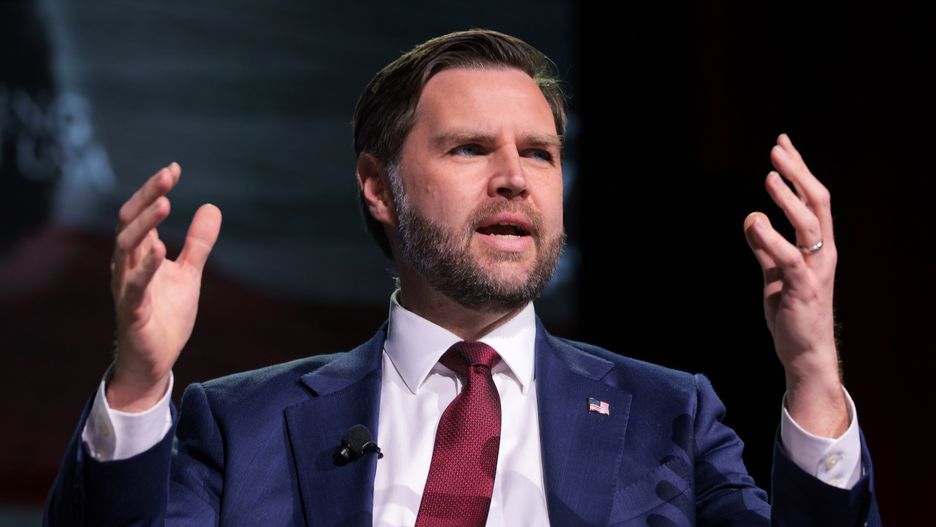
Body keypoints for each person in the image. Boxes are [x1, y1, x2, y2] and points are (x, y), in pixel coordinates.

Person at [43, 29, 880, 526]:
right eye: (471, 148)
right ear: (378, 186)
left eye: (541, 154)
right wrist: (138, 382)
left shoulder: (670, 418)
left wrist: (813, 374)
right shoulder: (240, 425)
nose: (515, 178)